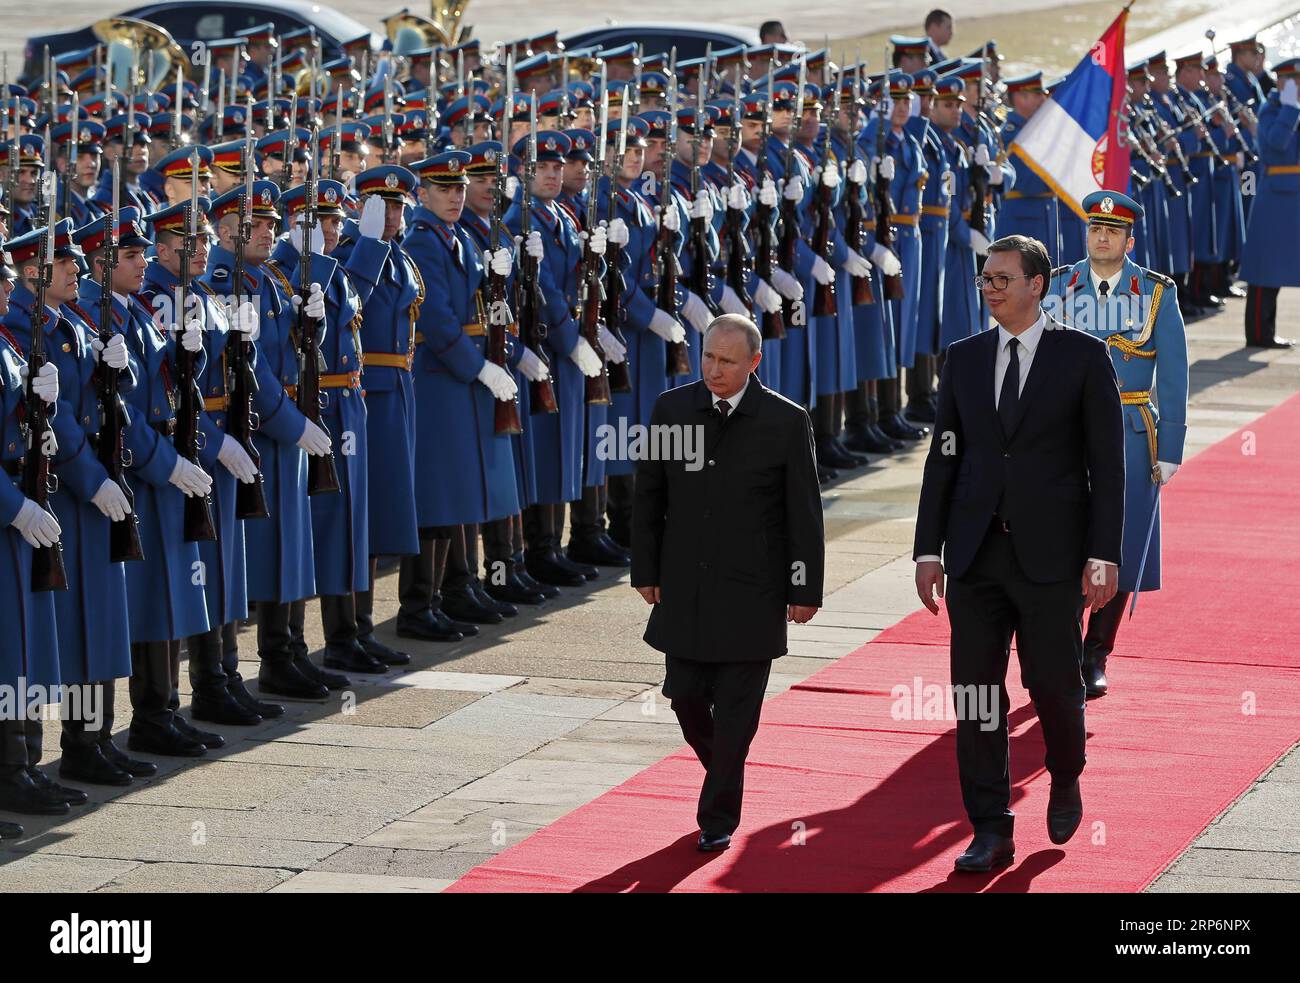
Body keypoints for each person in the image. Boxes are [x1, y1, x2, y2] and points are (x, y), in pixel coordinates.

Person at [913, 234, 1125, 872]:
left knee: (1053, 684)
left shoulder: (1083, 358)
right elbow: (943, 458)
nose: (991, 287)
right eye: (985, 278)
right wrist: (928, 550)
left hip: (1051, 555)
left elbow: (1106, 466)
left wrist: (1103, 553)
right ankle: (989, 825)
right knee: (976, 695)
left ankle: (1064, 772)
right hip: (975, 554)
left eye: (1003, 278)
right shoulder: (965, 358)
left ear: (1039, 285)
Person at [632, 314, 824, 852]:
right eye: (708, 357)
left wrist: (804, 587)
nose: (713, 370)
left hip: (754, 590)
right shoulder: (673, 409)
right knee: (686, 700)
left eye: (727, 361)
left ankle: (717, 815)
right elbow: (649, 496)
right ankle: (727, 774)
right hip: (685, 586)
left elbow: (803, 512)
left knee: (738, 713)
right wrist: (644, 570)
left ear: (754, 363)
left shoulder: (786, 421)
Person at [1046, 191, 1188, 698]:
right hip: (1065, 431)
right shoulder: (1059, 286)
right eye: (1095, 229)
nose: (1102, 237)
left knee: (1121, 544)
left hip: (1129, 429)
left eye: (1112, 231)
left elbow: (1172, 373)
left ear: (1129, 239)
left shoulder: (1154, 293)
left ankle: (1095, 652)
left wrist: (1170, 444)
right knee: (1061, 537)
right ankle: (1060, 646)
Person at [1238, 58, 1300, 348]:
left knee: (1274, 269)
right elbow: (1276, 145)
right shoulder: (1273, 110)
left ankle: (1267, 331)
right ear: (1284, 83)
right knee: (1265, 270)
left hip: (1290, 197)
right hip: (1275, 196)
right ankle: (1259, 334)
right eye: (1295, 82)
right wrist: (1289, 107)